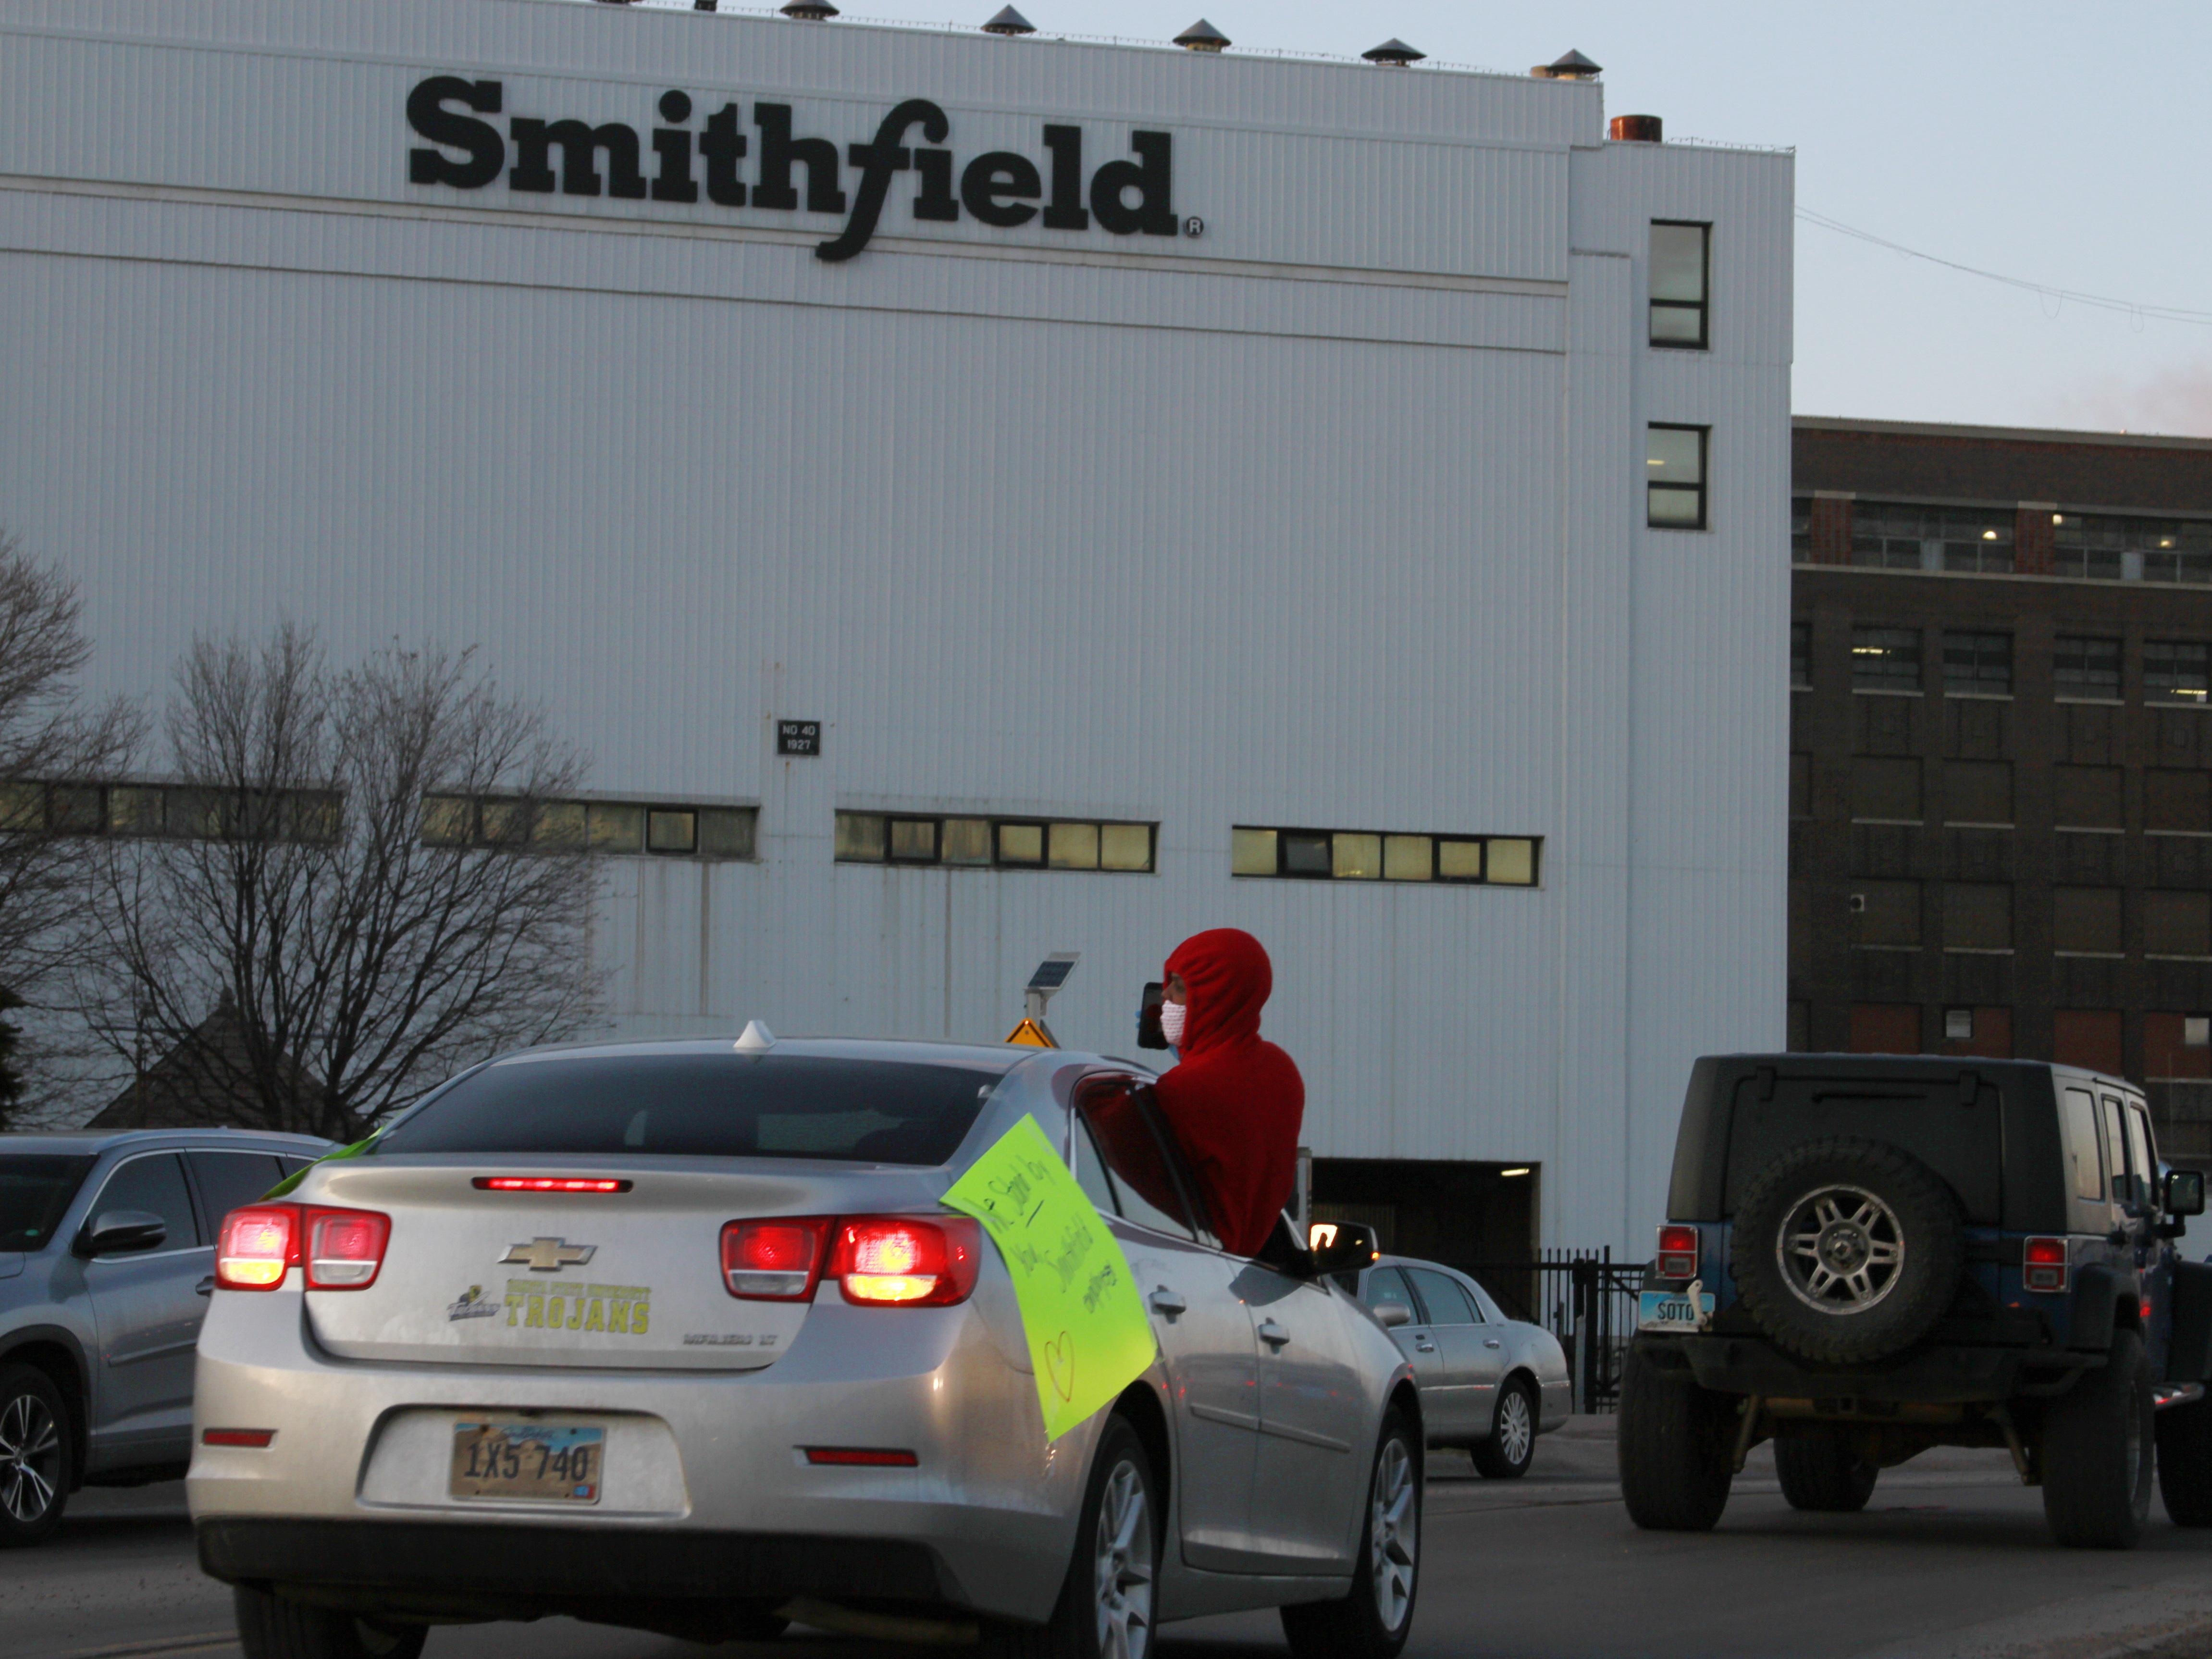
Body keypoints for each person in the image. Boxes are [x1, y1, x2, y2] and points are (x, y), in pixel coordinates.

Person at [1151, 928, 1304, 1257]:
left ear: (1214, 997)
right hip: (1251, 1264)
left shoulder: (1184, 1088)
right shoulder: (1281, 1070)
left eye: (1179, 987)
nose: (1164, 997)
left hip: (1191, 1260)